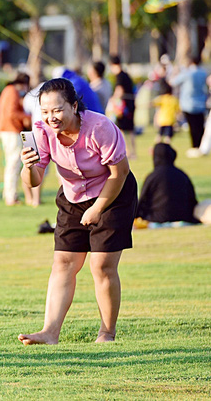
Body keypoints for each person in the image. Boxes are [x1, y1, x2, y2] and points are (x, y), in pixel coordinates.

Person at [19, 78, 137, 345]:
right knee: (63, 262)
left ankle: (107, 333)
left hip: (112, 193)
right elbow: (34, 180)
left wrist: (97, 209)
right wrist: (27, 166)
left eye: (57, 110)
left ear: (74, 106)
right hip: (73, 195)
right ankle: (50, 332)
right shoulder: (42, 132)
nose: (51, 117)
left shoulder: (99, 127)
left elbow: (120, 174)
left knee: (101, 265)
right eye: (45, 111)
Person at [0, 73, 35, 206]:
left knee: (11, 164)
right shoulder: (12, 91)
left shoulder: (7, 90)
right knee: (14, 164)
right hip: (11, 130)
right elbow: (12, 113)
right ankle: (11, 196)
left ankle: (9, 193)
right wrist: (29, 117)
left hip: (6, 129)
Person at [136, 143, 199, 225]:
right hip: (183, 216)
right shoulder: (182, 175)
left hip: (157, 217)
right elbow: (192, 199)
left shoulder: (153, 176)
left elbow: (143, 200)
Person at [171, 56, 209, 154]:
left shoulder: (187, 73)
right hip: (201, 103)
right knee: (200, 126)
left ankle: (194, 146)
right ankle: (201, 146)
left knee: (192, 126)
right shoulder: (203, 73)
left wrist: (175, 72)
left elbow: (173, 82)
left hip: (188, 103)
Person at [110, 56, 137, 158]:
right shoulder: (126, 74)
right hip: (131, 103)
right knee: (131, 129)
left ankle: (128, 152)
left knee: (122, 129)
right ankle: (133, 151)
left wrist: (112, 99)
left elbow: (119, 91)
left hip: (124, 106)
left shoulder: (119, 76)